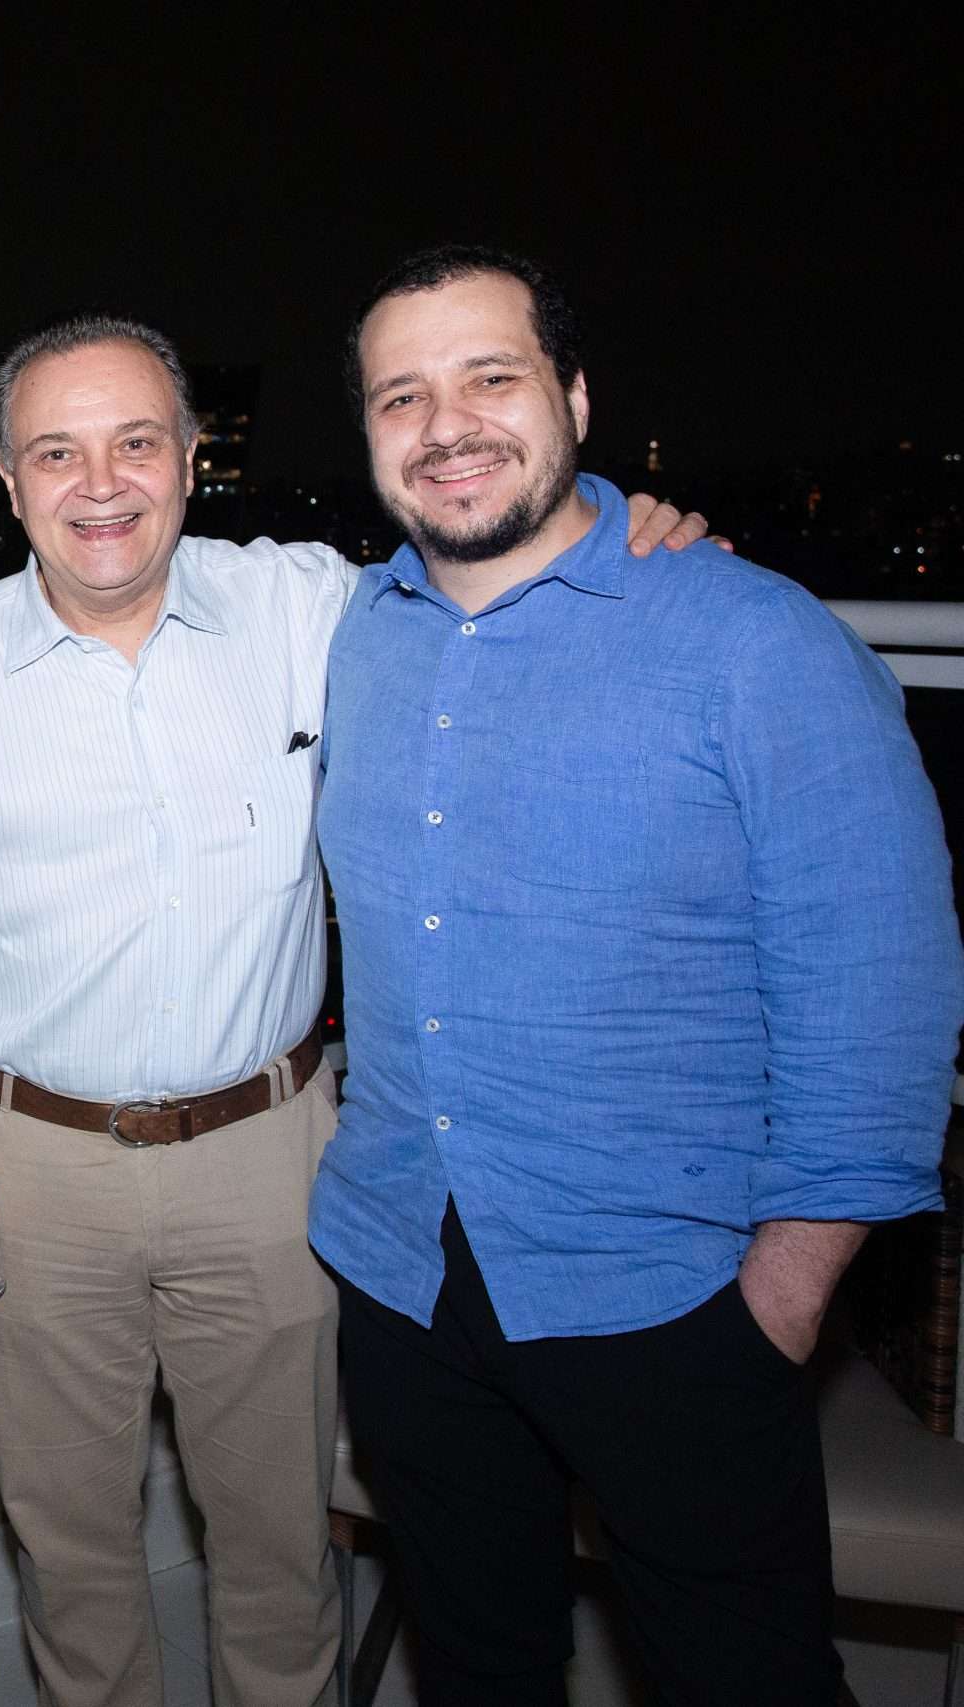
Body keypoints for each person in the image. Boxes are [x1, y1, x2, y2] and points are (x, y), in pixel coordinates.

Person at [0, 312, 706, 1707]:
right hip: (27, 1168)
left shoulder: (310, 606)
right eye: (59, 453)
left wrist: (632, 534)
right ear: (10, 480)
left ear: (192, 457)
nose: (103, 484)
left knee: (280, 1549)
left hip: (268, 1158)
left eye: (137, 442)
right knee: (70, 1557)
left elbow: (496, 572)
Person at [312, 244, 964, 1706]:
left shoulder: (755, 640)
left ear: (576, 399)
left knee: (744, 1679)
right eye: (403, 396)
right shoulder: (356, 633)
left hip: (674, 1297)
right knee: (476, 1668)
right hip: (403, 1273)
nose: (448, 425)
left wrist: (780, 1300)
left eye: (491, 377)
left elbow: (882, 999)